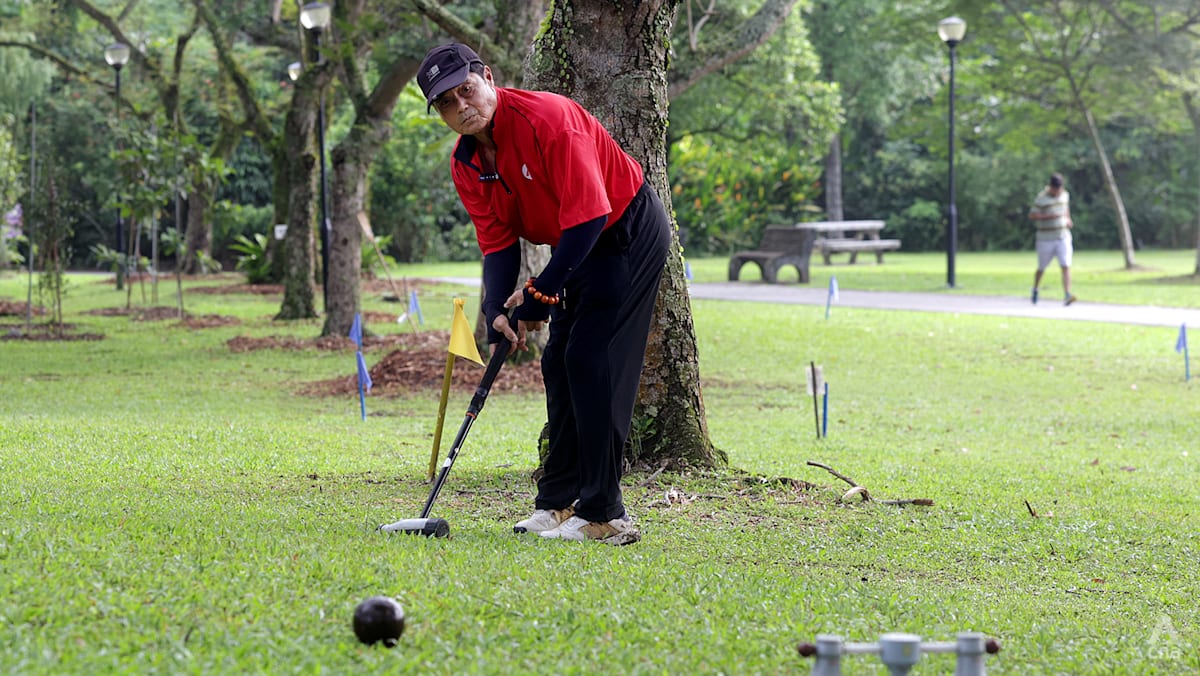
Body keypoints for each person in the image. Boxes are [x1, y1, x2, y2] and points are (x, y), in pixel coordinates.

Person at [416, 43, 671, 545]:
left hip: (623, 229)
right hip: (576, 245)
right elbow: (498, 244)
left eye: (466, 90)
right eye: (446, 102)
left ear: (487, 78)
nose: (461, 106)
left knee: (591, 359)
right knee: (557, 363)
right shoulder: (466, 163)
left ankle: (605, 514)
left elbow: (591, 217)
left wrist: (540, 292)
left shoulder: (550, 119)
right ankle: (558, 501)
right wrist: (496, 310)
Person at [1029, 172, 1076, 306]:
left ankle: (1067, 294)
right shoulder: (1041, 198)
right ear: (1050, 187)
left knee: (1065, 265)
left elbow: (1065, 209)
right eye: (1055, 189)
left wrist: (1068, 219)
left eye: (1059, 189)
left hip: (1062, 236)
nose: (1057, 192)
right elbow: (1032, 215)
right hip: (1045, 238)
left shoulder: (1065, 195)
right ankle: (1035, 288)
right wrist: (1048, 217)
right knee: (1042, 267)